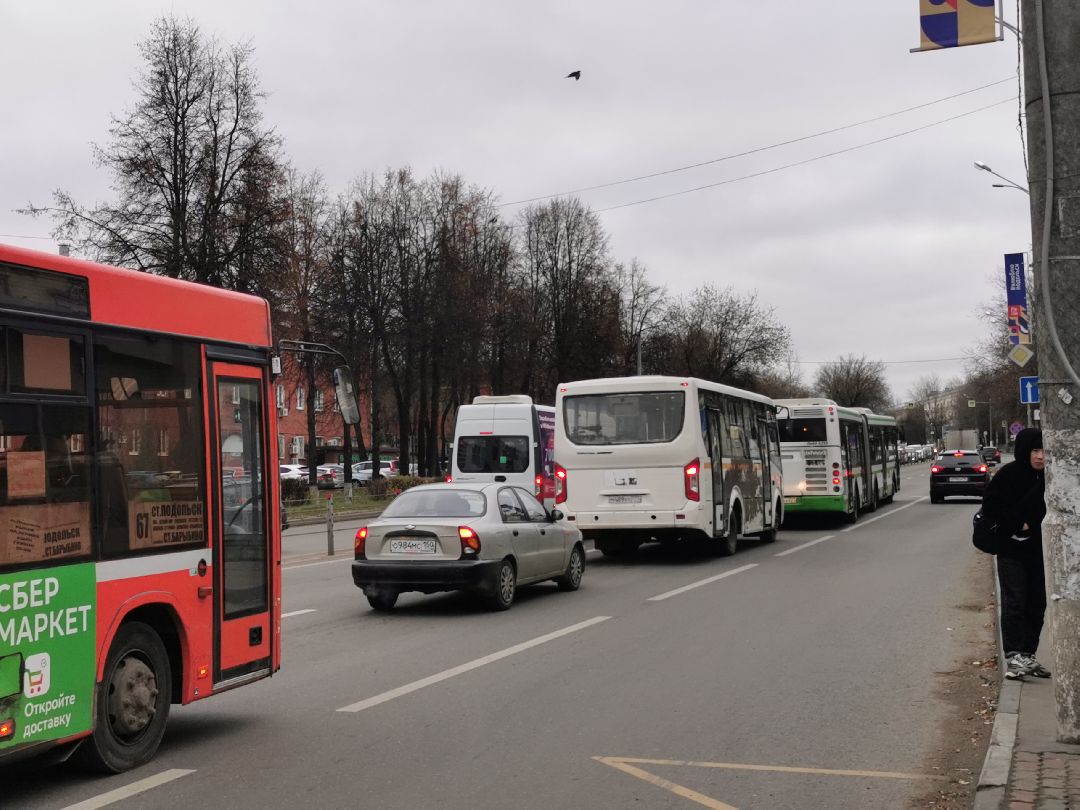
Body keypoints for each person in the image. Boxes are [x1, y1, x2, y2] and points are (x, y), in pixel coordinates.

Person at [980, 427, 1048, 679]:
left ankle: (1028, 655)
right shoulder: (1010, 474)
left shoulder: (1051, 477)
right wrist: (1020, 523)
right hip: (1012, 550)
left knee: (1037, 604)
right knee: (1015, 602)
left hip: (1038, 552)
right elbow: (991, 505)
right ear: (1025, 451)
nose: (1041, 456)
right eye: (1035, 450)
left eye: (1044, 451)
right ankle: (1013, 656)